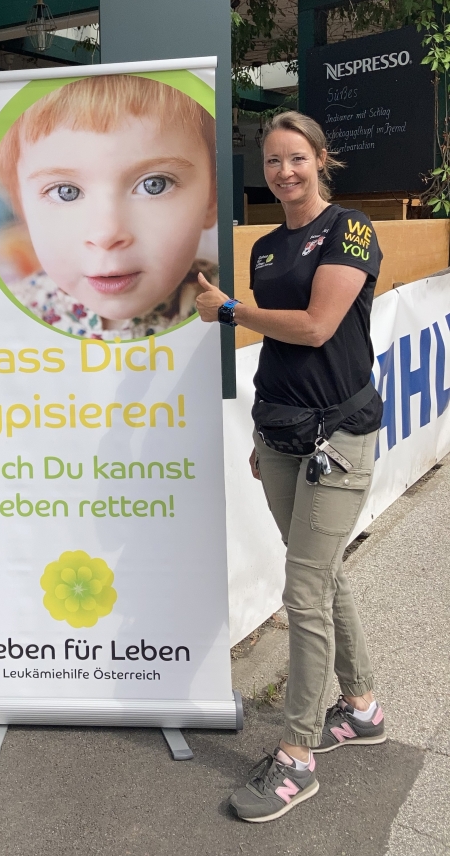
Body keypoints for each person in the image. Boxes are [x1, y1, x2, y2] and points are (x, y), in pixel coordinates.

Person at [196, 110, 386, 823]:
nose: (284, 172)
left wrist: (228, 312)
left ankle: (298, 756)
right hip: (279, 435)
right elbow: (282, 352)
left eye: (296, 158)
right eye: (273, 161)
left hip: (338, 437)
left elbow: (316, 327)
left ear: (320, 159)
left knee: (303, 593)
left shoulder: (351, 229)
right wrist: (261, 432)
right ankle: (361, 707)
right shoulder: (267, 245)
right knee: (323, 576)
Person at [0, 74, 218, 339]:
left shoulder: (235, 303)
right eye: (66, 192)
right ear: (21, 206)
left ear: (212, 198)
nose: (107, 234)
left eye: (154, 184)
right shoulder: (2, 322)